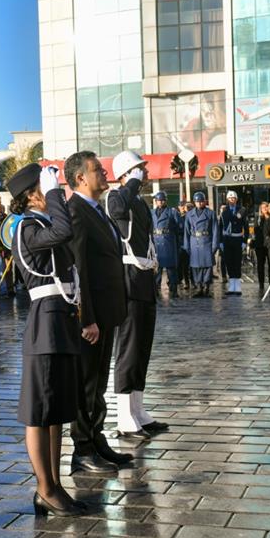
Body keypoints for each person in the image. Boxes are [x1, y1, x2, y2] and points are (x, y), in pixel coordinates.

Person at [7, 163, 86, 516]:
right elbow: (65, 232)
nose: (57, 190)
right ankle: (45, 487)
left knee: (56, 411)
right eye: (48, 187)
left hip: (61, 319)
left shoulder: (42, 224)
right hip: (45, 324)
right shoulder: (27, 228)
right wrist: (56, 194)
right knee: (38, 413)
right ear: (33, 194)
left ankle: (54, 484)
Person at [63, 150, 132, 473]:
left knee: (98, 381)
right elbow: (80, 270)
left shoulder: (97, 209)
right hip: (92, 316)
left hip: (107, 311)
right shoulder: (76, 211)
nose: (104, 174)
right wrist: (86, 317)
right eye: (97, 170)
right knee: (87, 382)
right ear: (80, 178)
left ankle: (97, 438)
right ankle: (82, 448)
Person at [105, 151, 167, 440]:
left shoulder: (139, 202)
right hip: (128, 281)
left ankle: (138, 411)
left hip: (144, 279)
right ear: (127, 173)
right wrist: (129, 183)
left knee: (142, 348)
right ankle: (124, 417)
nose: (144, 173)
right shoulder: (118, 195)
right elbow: (116, 210)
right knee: (128, 350)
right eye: (139, 169)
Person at [183, 192, 217, 297]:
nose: (199, 203)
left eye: (201, 201)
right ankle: (198, 287)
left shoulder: (210, 213)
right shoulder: (189, 214)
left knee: (207, 266)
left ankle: (206, 286)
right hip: (194, 242)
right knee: (195, 266)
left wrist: (215, 245)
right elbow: (187, 231)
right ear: (194, 202)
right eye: (197, 202)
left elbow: (215, 230)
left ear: (205, 201)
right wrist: (186, 245)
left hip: (206, 241)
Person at [151, 191, 181, 297]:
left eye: (163, 200)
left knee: (171, 268)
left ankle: (173, 288)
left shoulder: (172, 212)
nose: (161, 202)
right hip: (156, 242)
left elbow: (179, 226)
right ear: (156, 201)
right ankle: (155, 288)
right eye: (159, 200)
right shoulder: (151, 212)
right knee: (156, 268)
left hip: (168, 242)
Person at [218, 190, 248, 296]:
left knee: (237, 262)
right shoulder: (224, 211)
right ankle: (231, 285)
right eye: (230, 198)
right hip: (227, 240)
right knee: (229, 262)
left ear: (236, 199)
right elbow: (220, 227)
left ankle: (237, 286)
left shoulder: (242, 210)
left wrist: (244, 241)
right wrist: (220, 241)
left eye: (233, 198)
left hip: (237, 239)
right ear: (227, 199)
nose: (232, 200)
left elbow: (246, 227)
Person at [251, 201, 270, 291]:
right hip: (260, 245)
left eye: (266, 207)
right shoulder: (258, 218)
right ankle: (261, 284)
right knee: (260, 265)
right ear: (260, 209)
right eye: (263, 207)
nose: (265, 209)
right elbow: (255, 231)